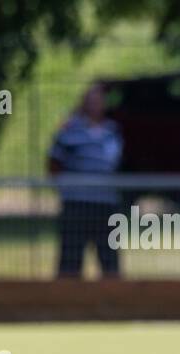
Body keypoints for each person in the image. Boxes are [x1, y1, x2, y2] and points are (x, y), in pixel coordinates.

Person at [49, 84, 123, 278]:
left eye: (99, 100)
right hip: (77, 203)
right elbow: (54, 162)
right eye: (91, 100)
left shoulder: (112, 130)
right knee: (71, 258)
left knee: (109, 258)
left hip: (105, 204)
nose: (95, 105)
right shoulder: (70, 129)